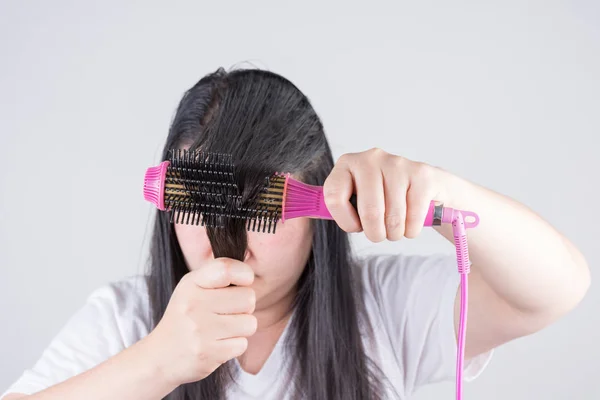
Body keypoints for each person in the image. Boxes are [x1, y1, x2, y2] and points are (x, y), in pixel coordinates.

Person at [2, 68, 590, 400]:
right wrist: (156, 364)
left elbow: (553, 290)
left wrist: (437, 188)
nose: (223, 239)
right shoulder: (124, 323)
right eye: (196, 203)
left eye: (262, 205)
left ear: (318, 209)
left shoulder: (380, 311)